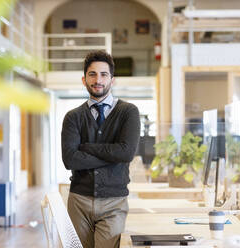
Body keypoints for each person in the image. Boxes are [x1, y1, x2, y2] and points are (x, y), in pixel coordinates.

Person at [61, 50, 140, 248]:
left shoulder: (128, 112)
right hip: (79, 201)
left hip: (114, 202)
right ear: (84, 79)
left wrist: (87, 148)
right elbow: (70, 160)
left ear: (112, 80)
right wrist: (114, 155)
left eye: (104, 74)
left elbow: (127, 153)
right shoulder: (73, 117)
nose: (98, 80)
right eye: (92, 74)